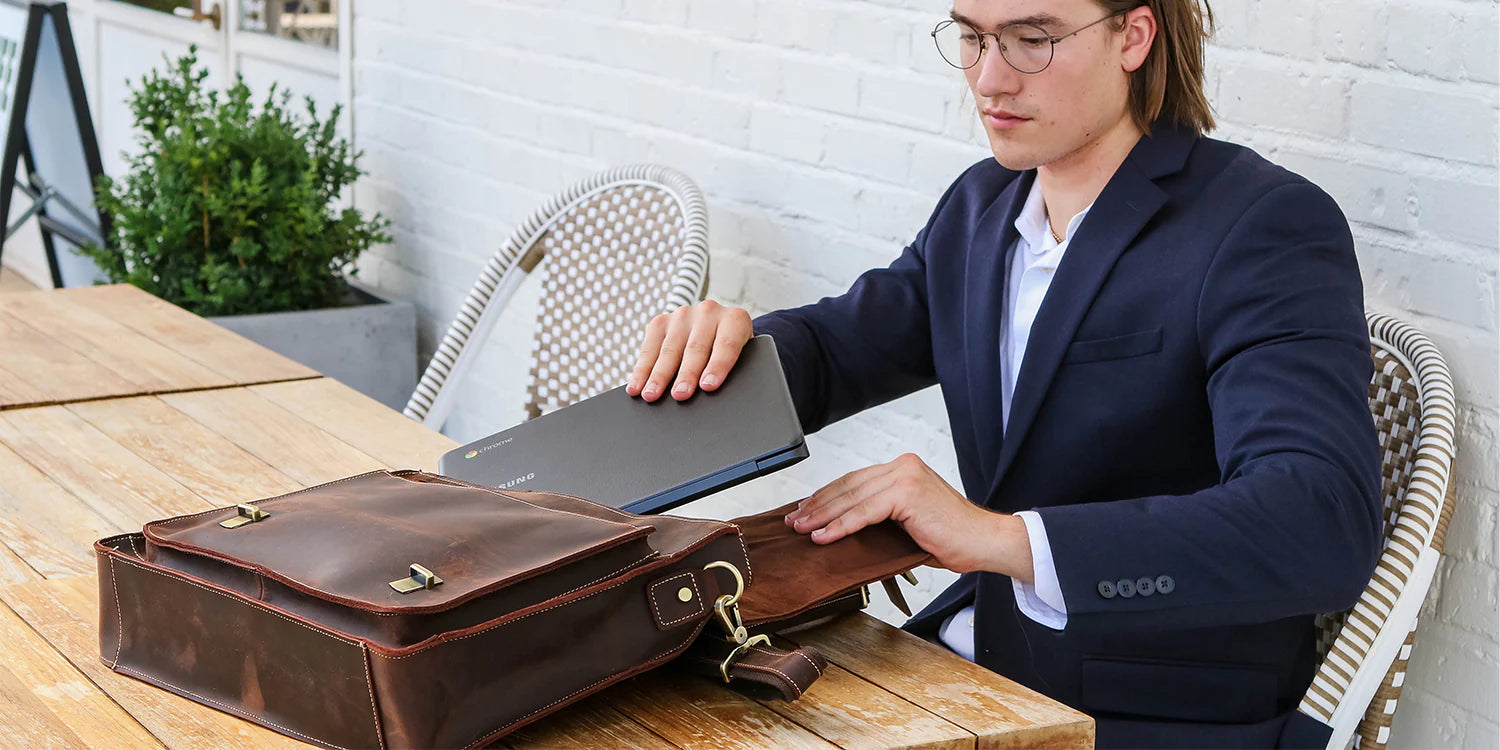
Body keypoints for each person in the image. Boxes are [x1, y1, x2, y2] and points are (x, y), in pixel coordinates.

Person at [626, 1, 1381, 746]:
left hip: (1141, 712)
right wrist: (728, 349)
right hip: (966, 667)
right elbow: (837, 350)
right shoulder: (981, 207)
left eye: (1033, 39)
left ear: (1134, 36)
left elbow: (1318, 521)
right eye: (972, 37)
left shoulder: (1262, 225)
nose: (988, 80)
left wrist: (1002, 539)